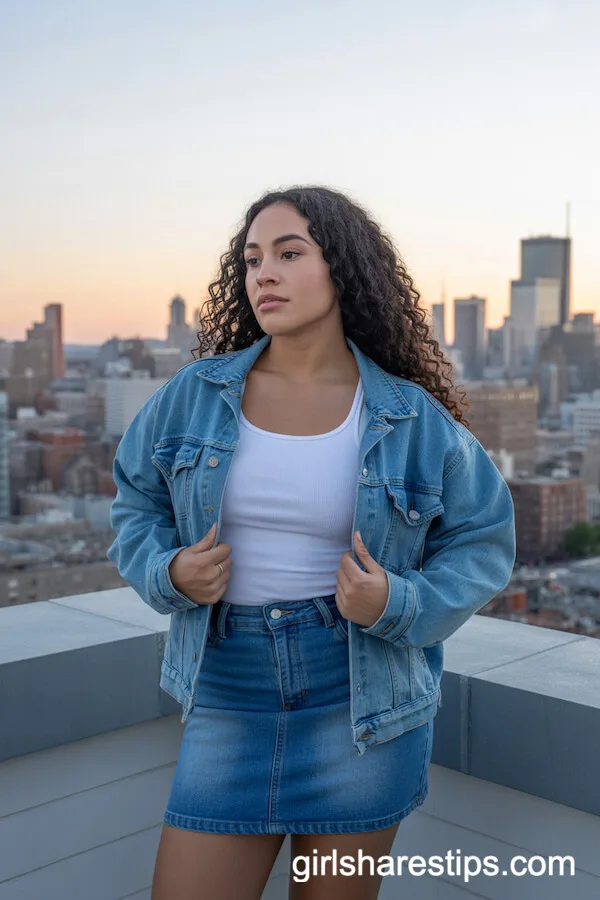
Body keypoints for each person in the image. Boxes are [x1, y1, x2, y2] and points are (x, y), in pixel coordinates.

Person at [107, 185, 516, 900]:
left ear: (342, 270)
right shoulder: (193, 394)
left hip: (358, 697)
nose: (262, 272)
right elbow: (134, 502)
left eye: (289, 253)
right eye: (252, 258)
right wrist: (168, 571)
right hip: (227, 687)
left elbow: (484, 540)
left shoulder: (408, 417)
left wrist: (398, 600)